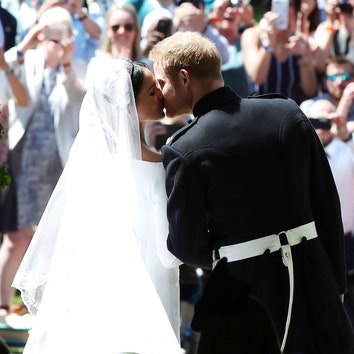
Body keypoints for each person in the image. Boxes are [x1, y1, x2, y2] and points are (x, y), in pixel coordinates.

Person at [149, 31, 354, 354]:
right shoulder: (286, 112)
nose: (159, 93)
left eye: (162, 82)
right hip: (314, 279)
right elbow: (326, 202)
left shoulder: (183, 148)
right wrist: (336, 283)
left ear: (184, 78)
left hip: (247, 294)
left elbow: (187, 245)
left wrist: (233, 252)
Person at [12, 58, 182, 354]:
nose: (160, 94)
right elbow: (169, 252)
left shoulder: (91, 165)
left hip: (95, 285)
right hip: (148, 280)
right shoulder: (160, 165)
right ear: (128, 103)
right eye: (151, 91)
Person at [0, 5, 85, 327]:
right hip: (22, 158)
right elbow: (1, 77)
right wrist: (26, 43)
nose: (53, 39)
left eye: (59, 32)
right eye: (48, 32)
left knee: (57, 237)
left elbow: (77, 95)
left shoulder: (74, 63)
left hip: (58, 161)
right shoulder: (27, 59)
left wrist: (65, 59)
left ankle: (49, 308)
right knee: (17, 236)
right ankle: (2, 305)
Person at [305, 98, 354, 326]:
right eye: (316, 120)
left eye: (328, 119)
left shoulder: (347, 147)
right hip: (314, 247)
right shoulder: (300, 154)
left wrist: (345, 134)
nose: (323, 126)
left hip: (348, 244)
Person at [84, 3, 141, 89]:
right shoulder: (97, 65)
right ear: (108, 31)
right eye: (115, 27)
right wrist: (120, 67)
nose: (122, 31)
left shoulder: (146, 65)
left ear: (136, 30)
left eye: (128, 27)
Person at [300, 56, 354, 133]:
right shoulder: (310, 105)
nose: (339, 82)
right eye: (333, 78)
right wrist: (344, 104)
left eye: (346, 76)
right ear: (325, 82)